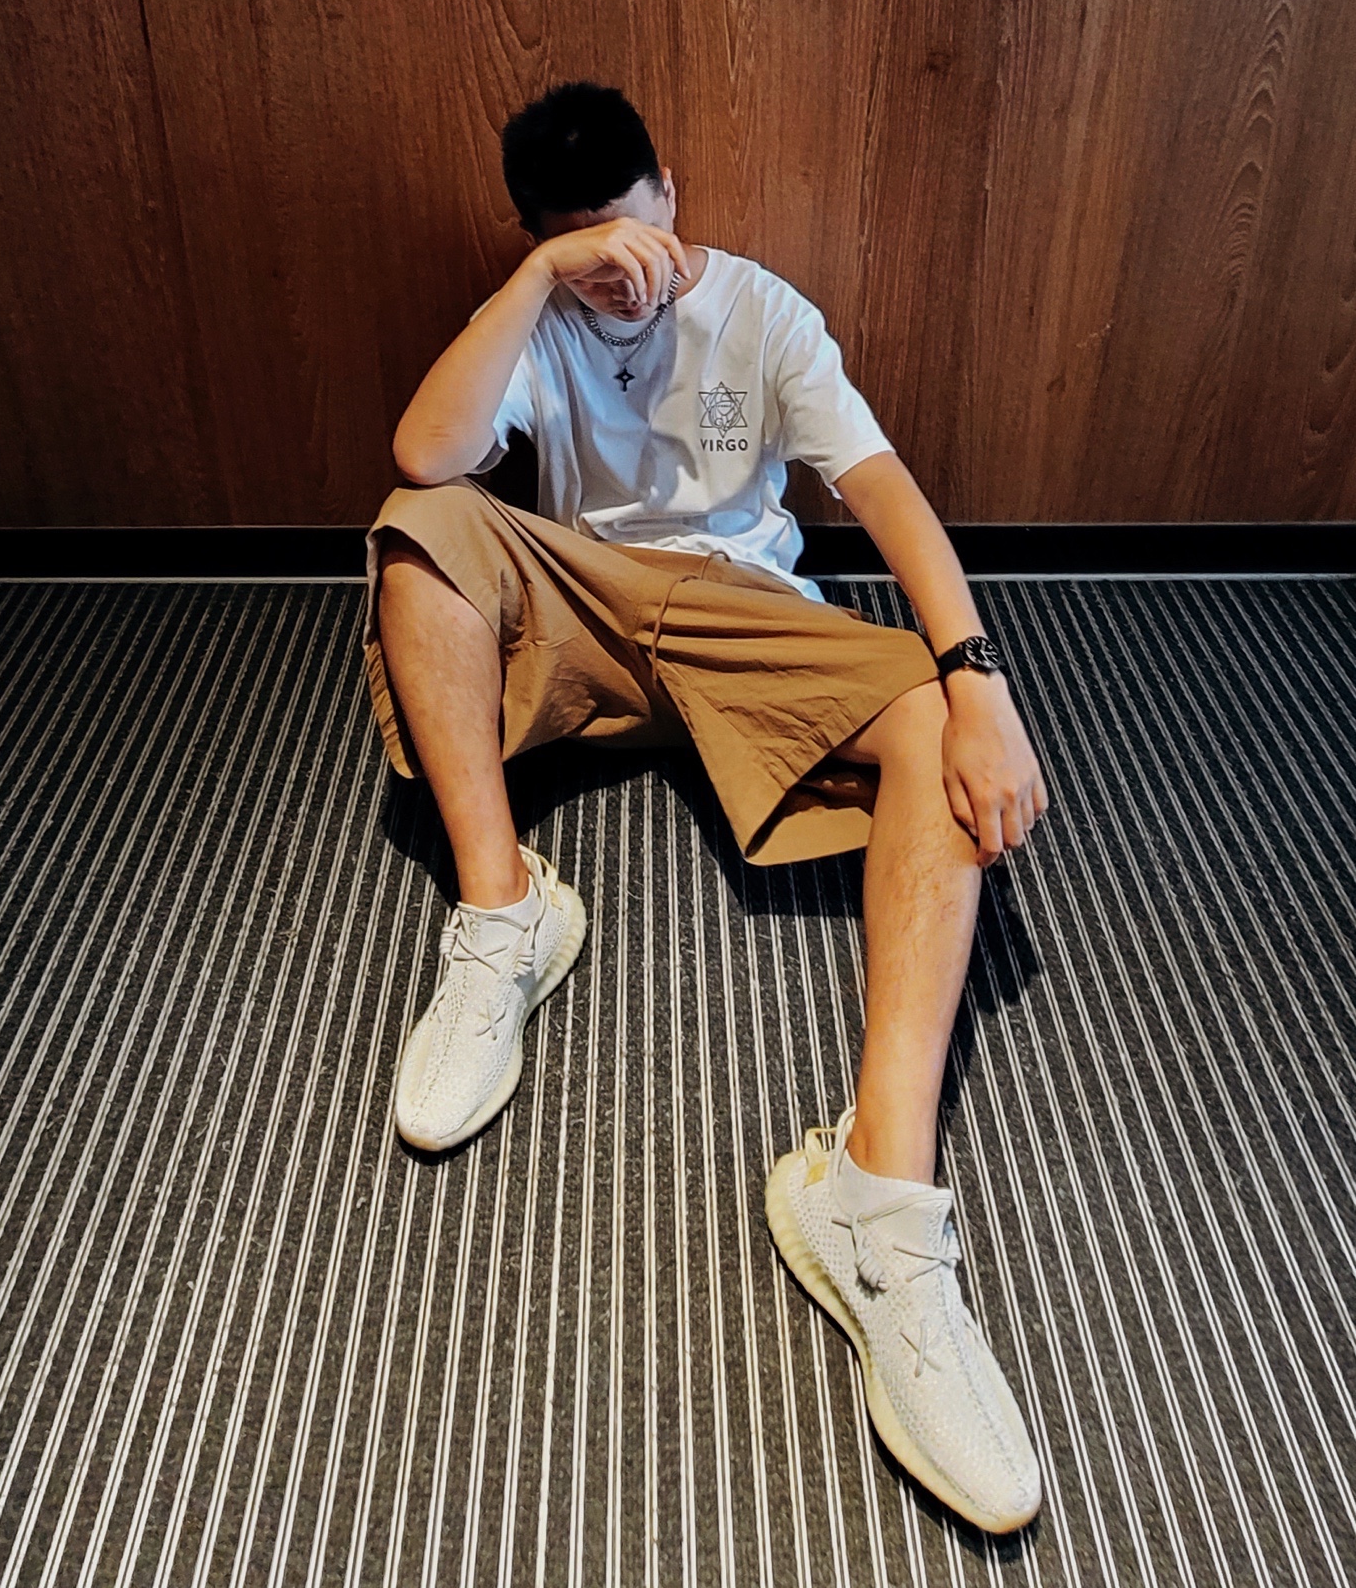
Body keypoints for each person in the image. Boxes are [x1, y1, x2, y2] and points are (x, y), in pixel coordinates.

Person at [364, 81, 1049, 1534]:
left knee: (938, 727)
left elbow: (884, 491)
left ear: (671, 190)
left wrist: (977, 675)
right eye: (583, 247)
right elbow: (430, 454)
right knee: (417, 527)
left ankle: (874, 1200)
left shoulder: (760, 311)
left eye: (634, 229)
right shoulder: (544, 312)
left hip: (745, 623)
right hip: (593, 611)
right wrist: (540, 279)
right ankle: (505, 911)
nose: (622, 271)